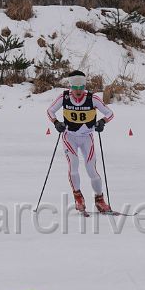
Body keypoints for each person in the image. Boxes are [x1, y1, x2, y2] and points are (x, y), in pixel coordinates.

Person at [46, 70, 115, 213]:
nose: (78, 91)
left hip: (86, 137)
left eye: (81, 87)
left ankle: (100, 200)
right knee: (73, 165)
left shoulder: (92, 98)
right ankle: (78, 198)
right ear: (70, 86)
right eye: (75, 87)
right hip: (69, 136)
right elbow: (50, 111)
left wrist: (102, 122)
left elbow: (110, 113)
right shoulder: (64, 97)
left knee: (91, 170)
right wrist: (56, 123)